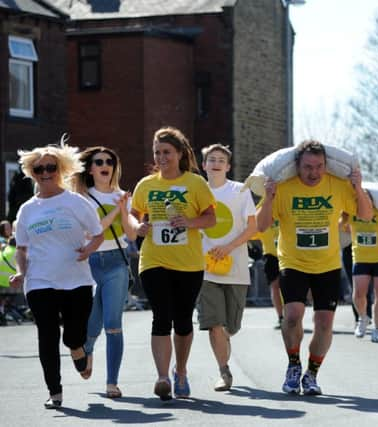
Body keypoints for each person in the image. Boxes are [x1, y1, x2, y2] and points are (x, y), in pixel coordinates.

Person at [257, 140, 372, 395]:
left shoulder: (338, 186)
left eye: (319, 166)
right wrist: (268, 198)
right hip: (293, 262)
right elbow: (262, 226)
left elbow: (364, 214)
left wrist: (358, 188)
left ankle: (312, 374)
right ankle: (294, 364)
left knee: (323, 324)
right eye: (308, 167)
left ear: (325, 166)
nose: (314, 173)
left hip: (327, 265)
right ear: (297, 166)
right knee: (293, 315)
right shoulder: (284, 188)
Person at [10, 142, 104, 409]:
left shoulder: (75, 202)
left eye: (51, 167)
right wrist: (21, 272)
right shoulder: (28, 209)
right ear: (32, 172)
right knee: (47, 335)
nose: (45, 172)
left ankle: (77, 347)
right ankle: (55, 392)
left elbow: (98, 234)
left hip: (77, 280)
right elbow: (22, 247)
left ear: (61, 169)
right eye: (39, 168)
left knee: (73, 335)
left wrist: (88, 250)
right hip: (40, 280)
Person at [129, 127, 216, 400]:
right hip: (154, 259)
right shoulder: (146, 185)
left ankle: (181, 371)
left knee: (183, 322)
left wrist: (189, 222)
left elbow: (210, 218)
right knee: (161, 317)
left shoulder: (195, 183)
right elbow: (131, 216)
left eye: (166, 152)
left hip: (188, 263)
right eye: (157, 152)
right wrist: (138, 226)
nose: (161, 157)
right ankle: (163, 376)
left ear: (179, 153)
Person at [73, 147, 137, 398]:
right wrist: (115, 210)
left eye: (110, 161)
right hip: (89, 264)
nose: (105, 164)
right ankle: (86, 348)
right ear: (90, 168)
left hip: (116, 263)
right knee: (92, 321)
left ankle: (112, 382)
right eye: (99, 161)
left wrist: (123, 209)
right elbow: (93, 232)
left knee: (113, 324)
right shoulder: (82, 197)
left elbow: (131, 235)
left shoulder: (123, 196)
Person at [197, 144, 256, 392]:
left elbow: (252, 228)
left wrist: (228, 247)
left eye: (221, 160)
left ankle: (225, 339)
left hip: (236, 267)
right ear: (204, 165)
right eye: (212, 159)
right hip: (203, 269)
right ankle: (224, 371)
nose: (216, 163)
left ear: (228, 166)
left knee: (231, 325)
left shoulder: (240, 191)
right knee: (214, 323)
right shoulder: (196, 191)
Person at [345, 202, 378, 343]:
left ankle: (377, 328)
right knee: (358, 293)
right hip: (361, 256)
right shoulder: (350, 209)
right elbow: (342, 225)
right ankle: (363, 317)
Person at [258, 219, 283, 328]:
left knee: (289, 287)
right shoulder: (262, 206)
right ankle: (281, 317)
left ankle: (292, 316)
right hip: (271, 254)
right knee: (275, 286)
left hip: (288, 253)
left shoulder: (286, 204)